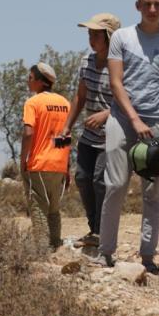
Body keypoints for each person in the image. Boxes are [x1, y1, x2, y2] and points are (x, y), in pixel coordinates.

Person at [96, 0, 159, 273]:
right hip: (123, 119)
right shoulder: (122, 38)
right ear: (137, 6)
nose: (151, 9)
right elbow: (115, 83)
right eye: (146, 4)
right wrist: (134, 119)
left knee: (153, 192)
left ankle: (148, 257)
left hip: (158, 123)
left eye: (157, 5)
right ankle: (105, 252)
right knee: (116, 186)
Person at [60, 12, 121, 247]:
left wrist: (106, 115)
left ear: (109, 36)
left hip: (112, 135)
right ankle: (93, 228)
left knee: (100, 180)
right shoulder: (86, 61)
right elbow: (80, 96)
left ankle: (100, 232)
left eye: (96, 34)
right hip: (89, 135)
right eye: (89, 33)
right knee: (82, 178)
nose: (91, 38)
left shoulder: (121, 65)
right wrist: (67, 126)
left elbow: (128, 100)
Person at [21, 63, 72, 251]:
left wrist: (23, 160)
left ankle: (42, 250)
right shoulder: (65, 103)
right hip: (59, 164)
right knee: (54, 209)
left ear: (41, 82)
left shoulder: (32, 103)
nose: (28, 81)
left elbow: (28, 134)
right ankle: (56, 245)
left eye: (30, 78)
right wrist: (67, 167)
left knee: (39, 207)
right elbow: (67, 137)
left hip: (39, 163)